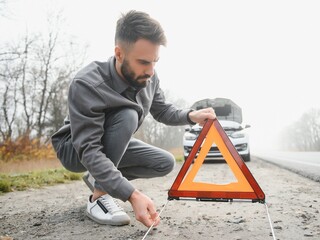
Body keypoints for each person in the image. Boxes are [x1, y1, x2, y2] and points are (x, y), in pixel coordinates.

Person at [51, 10, 216, 228]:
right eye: (143, 62)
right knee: (128, 114)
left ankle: (101, 177)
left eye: (154, 62)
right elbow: (89, 149)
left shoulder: (149, 76)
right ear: (119, 54)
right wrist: (132, 195)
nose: (150, 71)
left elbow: (162, 111)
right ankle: (98, 197)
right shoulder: (87, 83)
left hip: (109, 145)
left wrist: (190, 116)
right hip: (75, 147)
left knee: (164, 162)